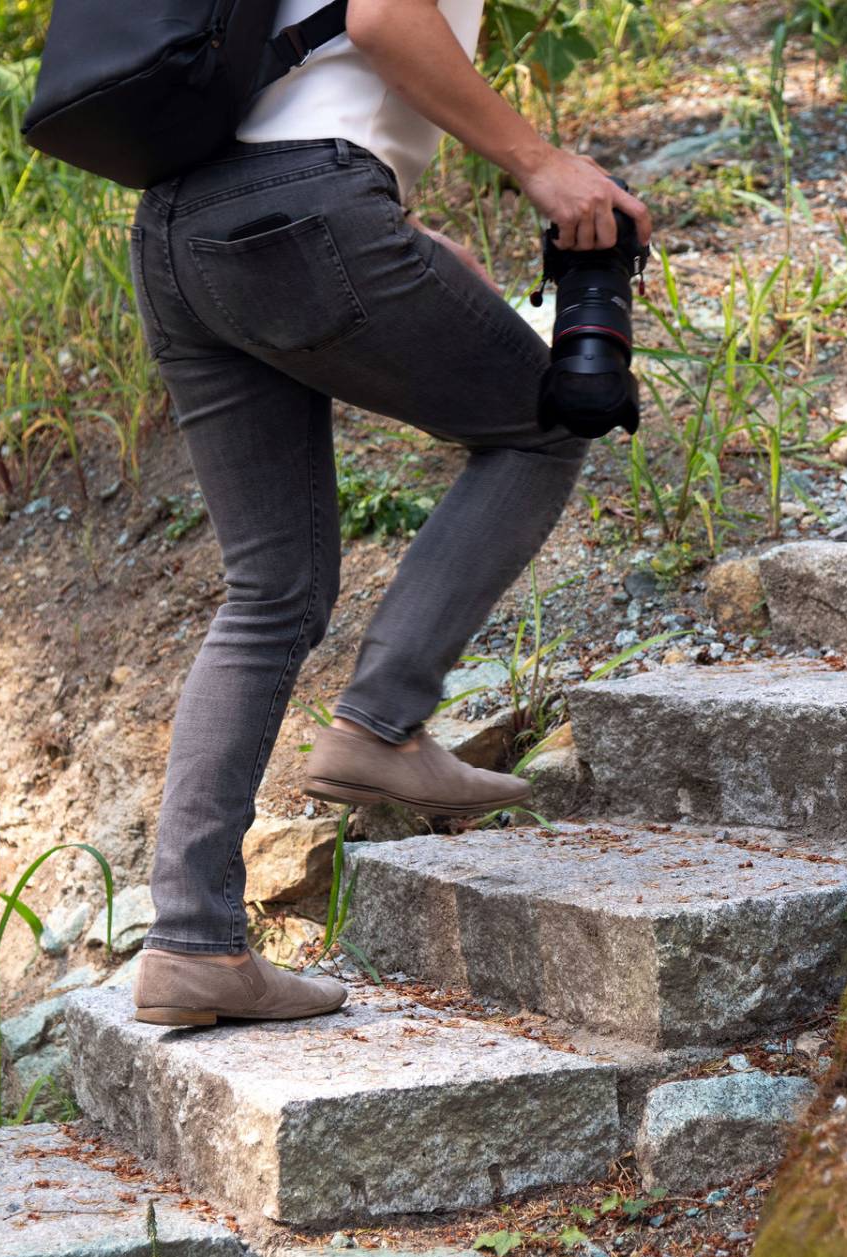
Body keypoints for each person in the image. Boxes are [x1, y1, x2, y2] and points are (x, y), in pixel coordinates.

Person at [128, 0, 652, 1027]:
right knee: (545, 423)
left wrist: (387, 219)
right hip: (302, 209)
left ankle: (191, 940)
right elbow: (381, 17)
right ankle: (381, 721)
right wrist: (539, 162)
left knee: (270, 589)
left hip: (180, 232)